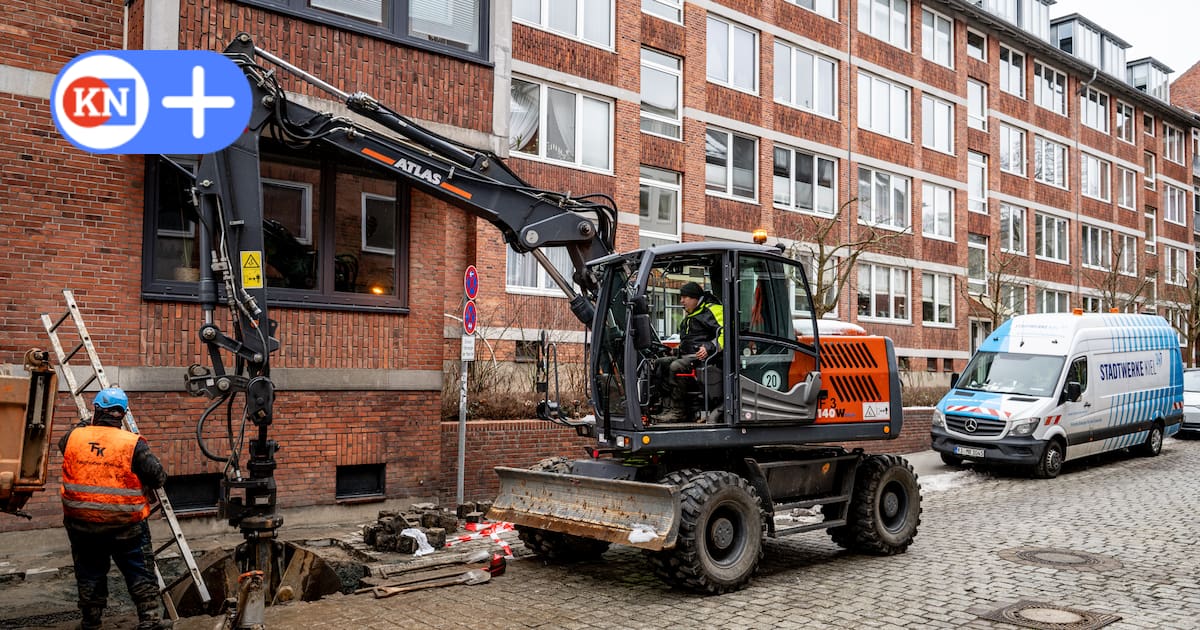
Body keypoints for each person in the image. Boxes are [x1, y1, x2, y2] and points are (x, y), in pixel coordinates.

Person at [59, 387, 170, 630]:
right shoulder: (132, 444)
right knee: (139, 571)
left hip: (82, 524)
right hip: (125, 525)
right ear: (122, 415)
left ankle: (91, 622)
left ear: (97, 410)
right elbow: (158, 477)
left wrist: (85, 424)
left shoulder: (73, 437)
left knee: (89, 572)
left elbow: (65, 446)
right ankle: (150, 621)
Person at [657, 282, 724, 422]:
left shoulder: (712, 310)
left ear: (695, 298)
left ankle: (679, 411)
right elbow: (690, 340)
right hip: (688, 356)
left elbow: (726, 332)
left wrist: (709, 347)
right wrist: (674, 351)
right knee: (660, 364)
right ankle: (666, 408)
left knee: (677, 367)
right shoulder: (692, 314)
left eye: (684, 297)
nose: (681, 301)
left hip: (706, 358)